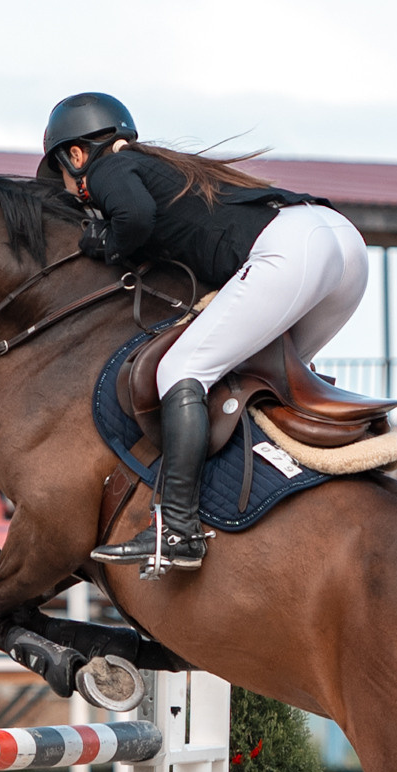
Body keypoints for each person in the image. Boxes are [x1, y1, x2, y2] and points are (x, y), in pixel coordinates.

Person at [40, 93, 370, 571]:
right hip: (340, 241)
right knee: (261, 374)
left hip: (292, 249)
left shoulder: (111, 167)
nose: (73, 191)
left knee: (180, 370)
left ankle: (177, 529)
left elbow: (132, 218)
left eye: (68, 180)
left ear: (76, 155)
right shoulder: (163, 168)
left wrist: (101, 242)